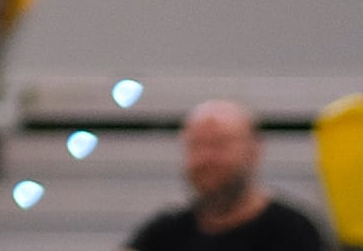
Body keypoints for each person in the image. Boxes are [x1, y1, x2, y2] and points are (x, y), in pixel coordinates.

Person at [120, 102, 325, 251]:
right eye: (197, 145)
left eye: (220, 144)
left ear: (254, 151)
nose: (207, 158)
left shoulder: (292, 232)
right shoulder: (163, 233)